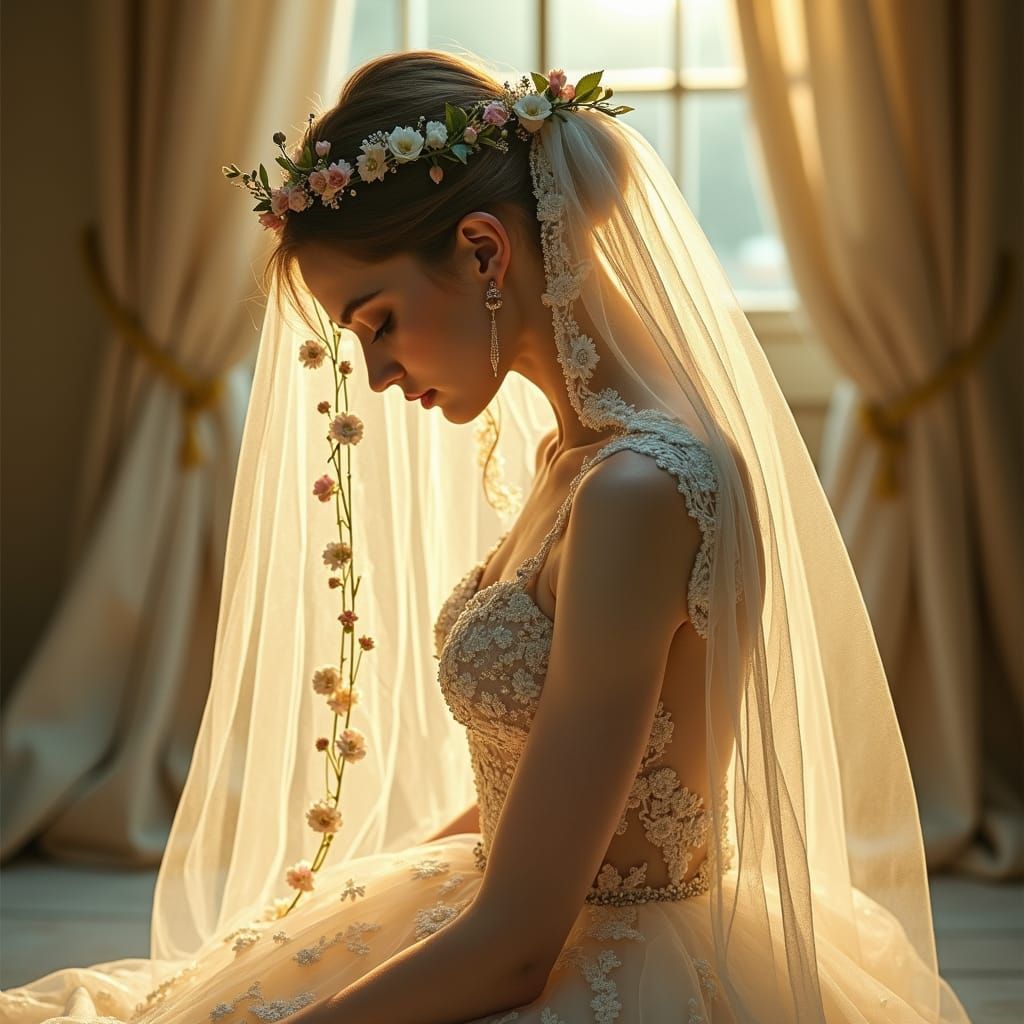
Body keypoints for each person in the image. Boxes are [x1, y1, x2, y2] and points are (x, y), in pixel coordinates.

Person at [0, 50, 972, 1024]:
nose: (377, 373)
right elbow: (541, 789)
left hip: (600, 965)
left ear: (481, 252)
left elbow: (517, 952)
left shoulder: (637, 493)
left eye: (378, 321)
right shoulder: (574, 459)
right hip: (516, 910)